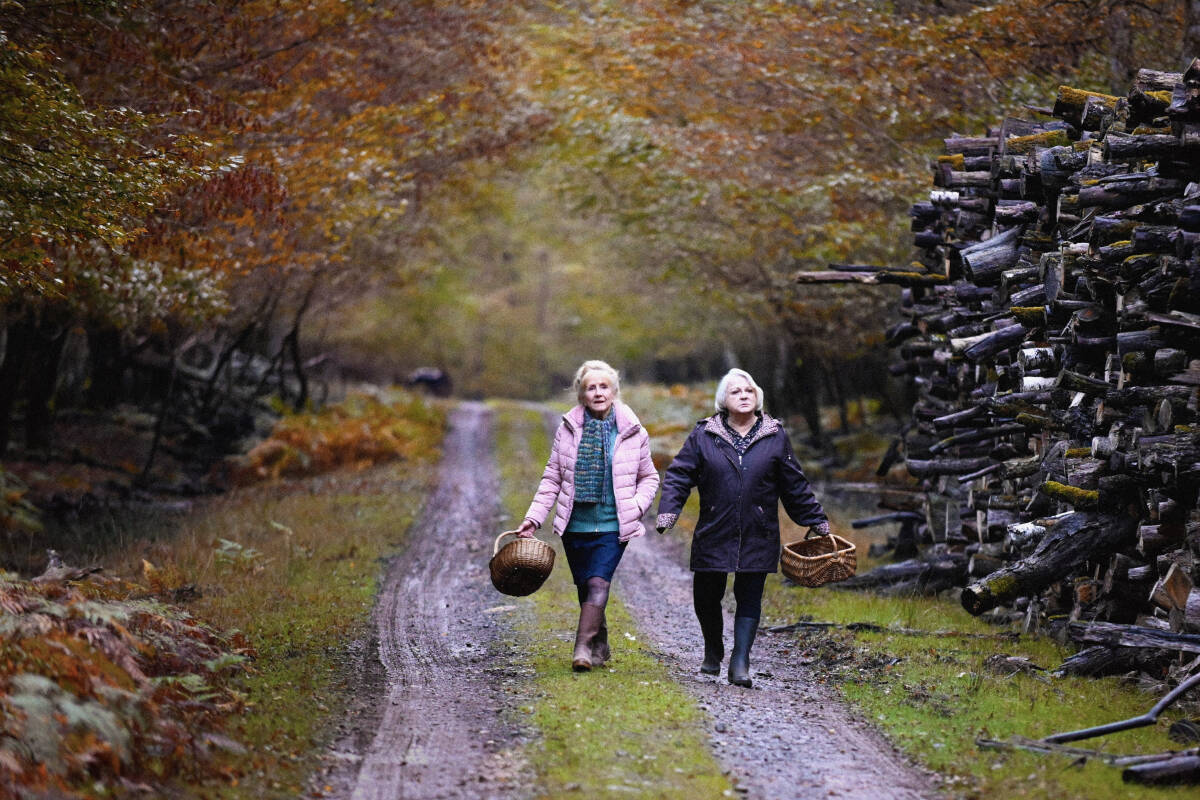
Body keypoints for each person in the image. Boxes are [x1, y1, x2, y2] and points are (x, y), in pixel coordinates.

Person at [655, 368, 829, 687]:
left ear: (757, 396)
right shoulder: (704, 434)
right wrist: (669, 511)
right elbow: (680, 475)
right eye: (736, 391)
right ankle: (713, 647)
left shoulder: (775, 435)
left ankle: (740, 661)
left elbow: (794, 483)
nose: (744, 395)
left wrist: (815, 519)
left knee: (750, 595)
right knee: (706, 594)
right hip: (714, 526)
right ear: (724, 400)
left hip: (758, 529)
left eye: (749, 390)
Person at [516, 360, 660, 672]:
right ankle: (601, 640)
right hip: (575, 525)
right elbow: (552, 478)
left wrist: (635, 507)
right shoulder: (568, 430)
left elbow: (649, 478)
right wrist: (534, 517)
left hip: (613, 524)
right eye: (590, 387)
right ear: (581, 395)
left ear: (614, 391)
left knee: (598, 583)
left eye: (603, 386)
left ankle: (581, 646)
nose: (597, 392)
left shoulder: (633, 431)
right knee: (585, 587)